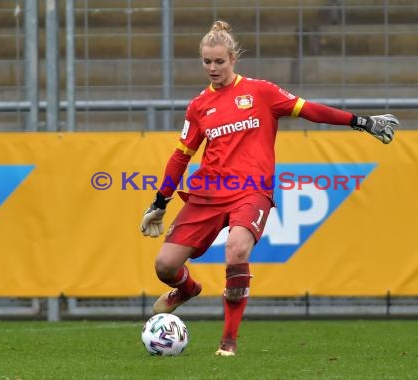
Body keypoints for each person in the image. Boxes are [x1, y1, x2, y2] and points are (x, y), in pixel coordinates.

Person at [140, 20, 399, 356]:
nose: (213, 68)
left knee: (236, 249)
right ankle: (187, 290)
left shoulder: (261, 92)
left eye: (219, 61)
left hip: (251, 190)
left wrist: (360, 121)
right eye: (207, 61)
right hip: (209, 193)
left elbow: (311, 111)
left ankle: (228, 342)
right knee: (165, 266)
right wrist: (160, 202)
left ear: (233, 58)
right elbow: (180, 156)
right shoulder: (199, 106)